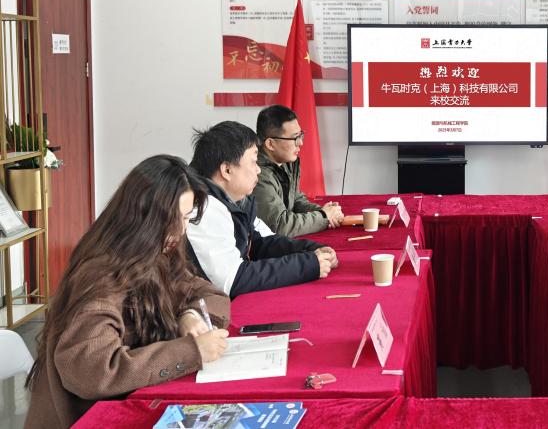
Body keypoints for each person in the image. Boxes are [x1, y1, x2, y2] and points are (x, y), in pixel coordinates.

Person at [25, 155, 230, 429]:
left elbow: (210, 294)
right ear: (144, 219)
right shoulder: (101, 276)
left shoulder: (155, 254)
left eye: (186, 218)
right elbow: (93, 370)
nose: (181, 231)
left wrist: (189, 314)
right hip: (89, 419)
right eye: (175, 220)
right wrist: (190, 351)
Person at [186, 121, 338, 298]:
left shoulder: (238, 200)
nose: (258, 170)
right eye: (253, 162)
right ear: (226, 170)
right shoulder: (202, 208)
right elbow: (233, 280)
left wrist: (310, 249)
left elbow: (262, 242)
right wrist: (306, 265)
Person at [252, 105, 343, 237]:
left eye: (300, 135)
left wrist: (326, 212)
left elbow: (295, 200)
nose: (300, 143)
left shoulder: (285, 162)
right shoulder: (258, 174)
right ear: (270, 144)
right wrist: (323, 216)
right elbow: (280, 225)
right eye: (294, 138)